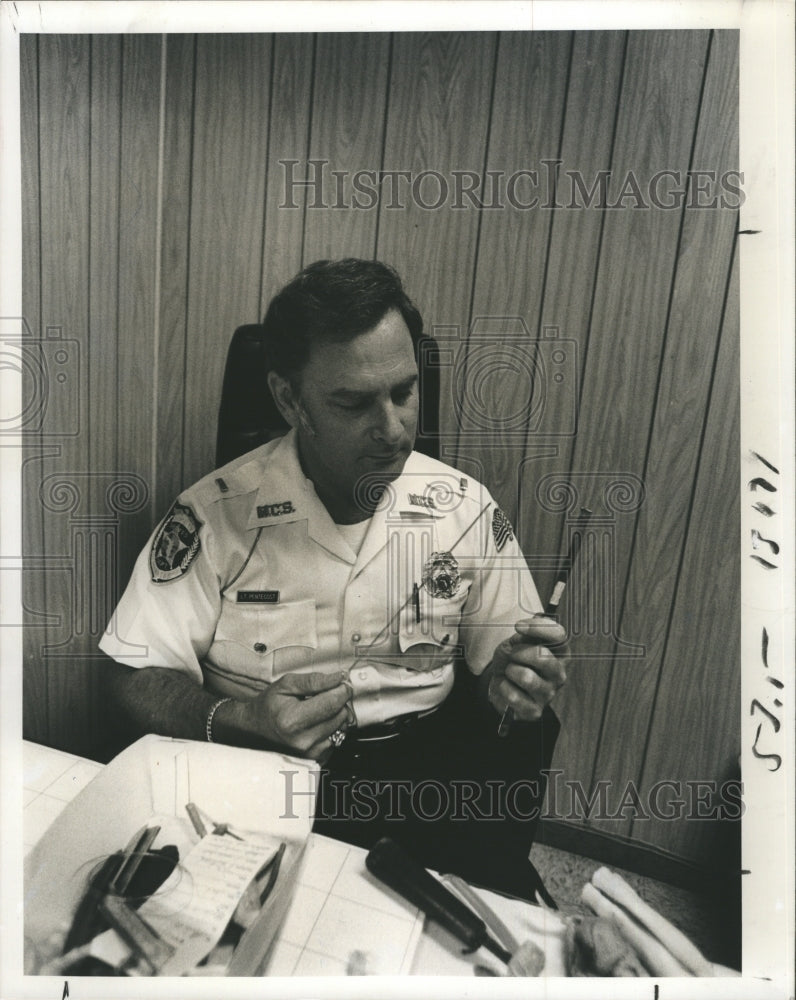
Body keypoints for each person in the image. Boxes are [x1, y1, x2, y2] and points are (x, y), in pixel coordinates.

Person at [100, 259, 568, 901]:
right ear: (290, 399)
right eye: (353, 402)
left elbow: (499, 673)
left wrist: (515, 681)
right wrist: (239, 718)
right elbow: (132, 675)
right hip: (264, 771)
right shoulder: (215, 515)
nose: (393, 427)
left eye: (404, 392)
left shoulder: (463, 508)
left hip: (424, 776)